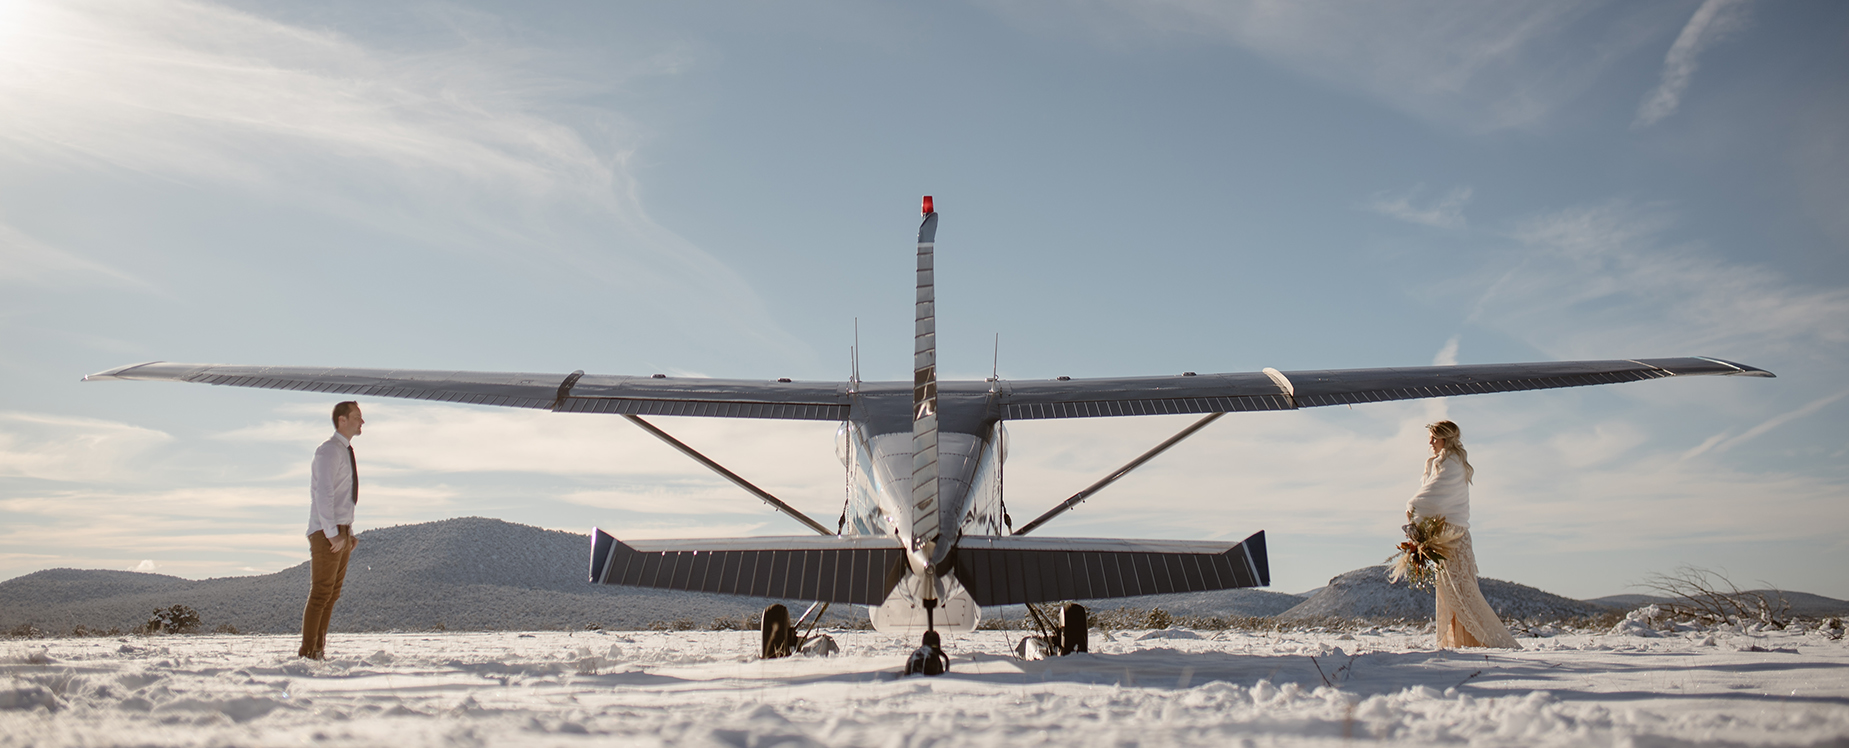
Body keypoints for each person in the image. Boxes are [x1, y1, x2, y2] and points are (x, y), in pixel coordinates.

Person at [1406, 420, 1519, 649]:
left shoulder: (1452, 464)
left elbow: (1433, 495)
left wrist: (1412, 506)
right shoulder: (1443, 462)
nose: (1430, 443)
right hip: (1446, 535)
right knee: (1451, 590)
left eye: (1434, 438)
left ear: (1445, 439)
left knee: (1462, 591)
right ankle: (1462, 642)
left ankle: (1491, 642)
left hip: (1452, 537)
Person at [300, 401, 364, 659]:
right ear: (342, 420)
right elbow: (323, 492)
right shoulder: (328, 451)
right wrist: (331, 532)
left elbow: (340, 495)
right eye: (357, 417)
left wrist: (348, 533)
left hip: (342, 531)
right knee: (320, 594)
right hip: (328, 532)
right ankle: (308, 653)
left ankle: (318, 650)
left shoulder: (344, 451)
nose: (362, 422)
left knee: (332, 594)